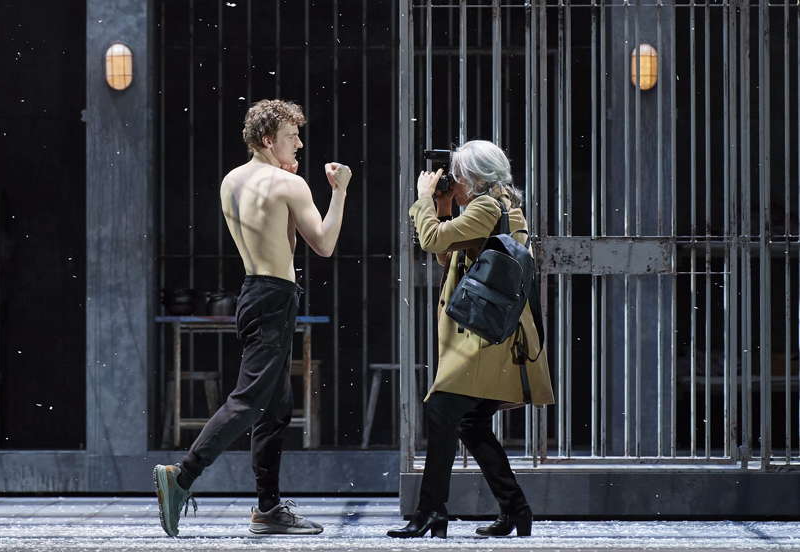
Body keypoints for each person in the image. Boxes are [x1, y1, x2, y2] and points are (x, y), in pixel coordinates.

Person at [153, 99, 352, 538]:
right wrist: (338, 192)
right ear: (267, 140)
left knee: (275, 407)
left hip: (250, 294)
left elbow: (269, 233)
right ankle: (181, 475)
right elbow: (323, 243)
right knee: (248, 401)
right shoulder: (288, 184)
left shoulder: (231, 181)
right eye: (290, 137)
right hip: (276, 297)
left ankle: (267, 509)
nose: (299, 143)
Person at [388, 139, 553, 540]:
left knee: (442, 412)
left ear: (474, 178)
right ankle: (516, 510)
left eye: (459, 176)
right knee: (470, 421)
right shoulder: (500, 206)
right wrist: (444, 209)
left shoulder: (484, 208)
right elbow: (449, 256)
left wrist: (424, 200)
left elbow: (430, 241)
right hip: (490, 336)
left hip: (481, 339)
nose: (454, 182)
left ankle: (430, 512)